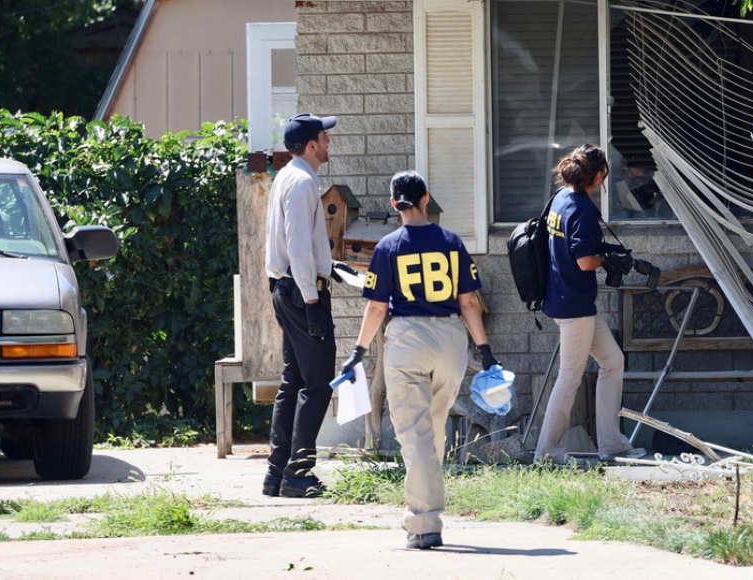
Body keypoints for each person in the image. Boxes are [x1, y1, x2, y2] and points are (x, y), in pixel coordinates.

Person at [340, 170, 499, 550]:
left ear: (394, 203)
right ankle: (427, 512)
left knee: (414, 434)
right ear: (426, 198)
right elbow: (468, 303)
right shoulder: (452, 242)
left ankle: (425, 524)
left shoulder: (388, 246)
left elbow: (377, 308)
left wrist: (358, 351)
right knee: (434, 429)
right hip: (451, 339)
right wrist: (486, 352)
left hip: (408, 339)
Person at [533, 143, 646, 464]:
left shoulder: (560, 198)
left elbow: (571, 246)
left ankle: (611, 444)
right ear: (598, 176)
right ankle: (546, 453)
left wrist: (605, 250)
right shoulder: (581, 207)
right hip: (574, 306)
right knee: (569, 378)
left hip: (566, 299)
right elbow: (584, 261)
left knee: (612, 362)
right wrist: (606, 259)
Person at [262, 113, 339, 498]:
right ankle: (297, 473)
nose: (327, 143)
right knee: (318, 381)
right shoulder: (303, 181)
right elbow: (298, 246)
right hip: (301, 292)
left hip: (287, 287)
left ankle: (277, 472)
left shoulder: (287, 176)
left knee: (294, 380)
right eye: (324, 138)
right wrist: (311, 301)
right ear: (311, 145)